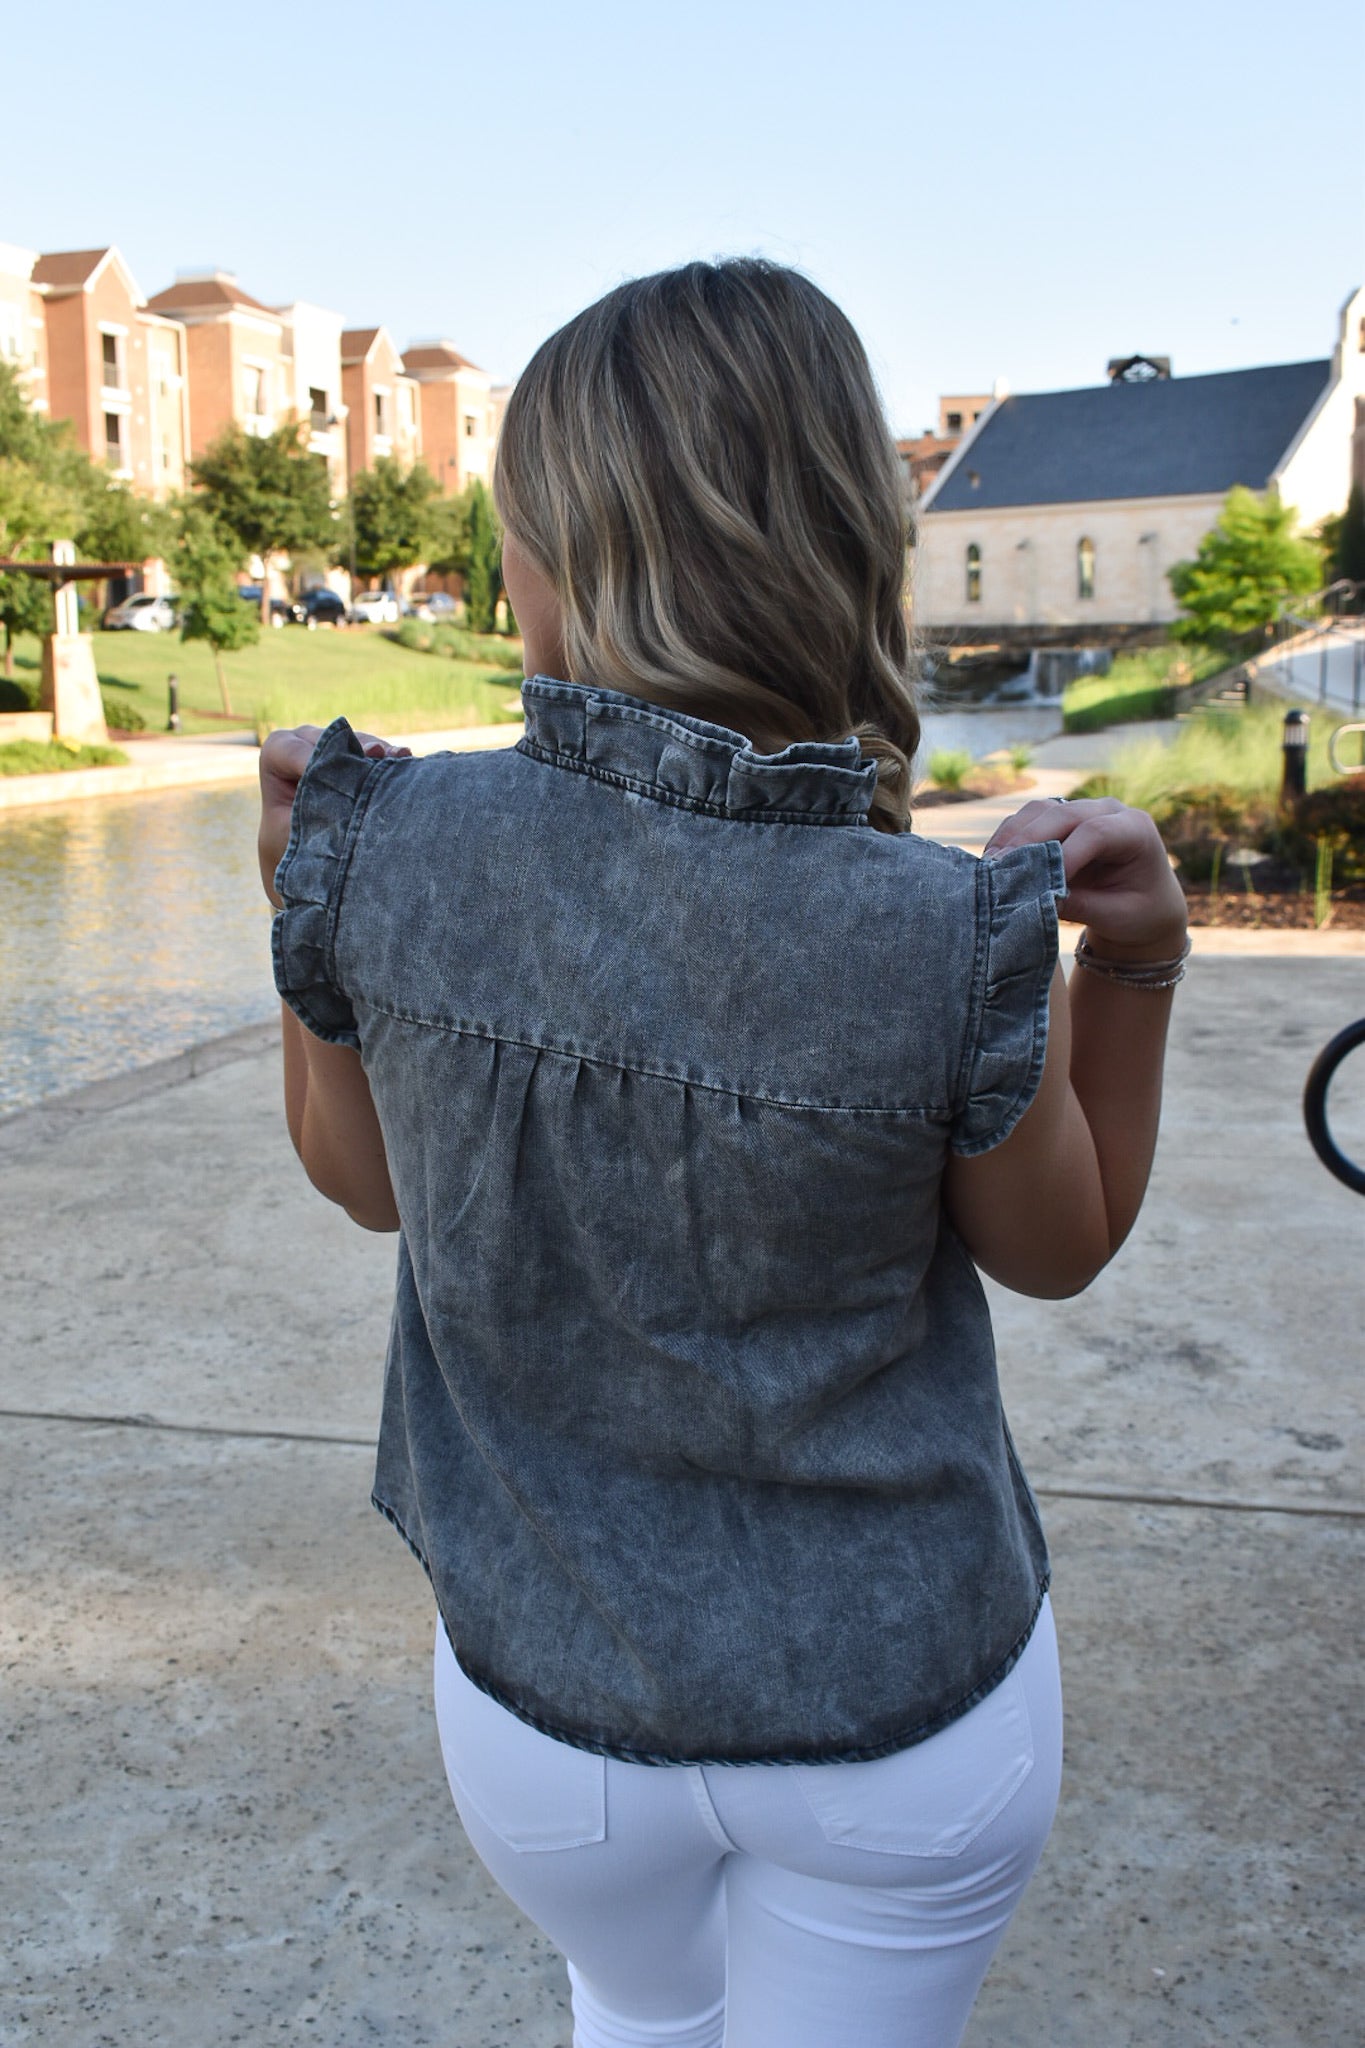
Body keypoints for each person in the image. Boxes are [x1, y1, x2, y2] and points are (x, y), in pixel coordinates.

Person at [257, 259, 1188, 2048]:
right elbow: (1060, 1247)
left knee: (633, 2015)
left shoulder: (384, 834)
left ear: (549, 546)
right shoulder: (944, 925)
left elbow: (362, 1180)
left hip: (544, 1715)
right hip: (894, 1717)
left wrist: (313, 907)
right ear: (847, 540)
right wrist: (1132, 967)